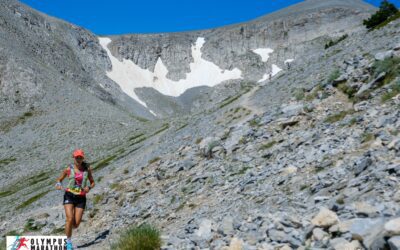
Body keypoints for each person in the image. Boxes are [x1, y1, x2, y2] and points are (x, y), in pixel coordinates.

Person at [55, 149, 95, 250]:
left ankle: (69, 227)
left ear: (82, 158)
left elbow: (92, 182)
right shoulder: (68, 169)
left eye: (80, 157)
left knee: (76, 224)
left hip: (81, 197)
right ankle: (68, 243)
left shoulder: (87, 169)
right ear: (74, 157)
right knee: (69, 219)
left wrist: (88, 188)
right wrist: (59, 184)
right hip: (69, 195)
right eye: (77, 157)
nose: (78, 159)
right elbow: (59, 180)